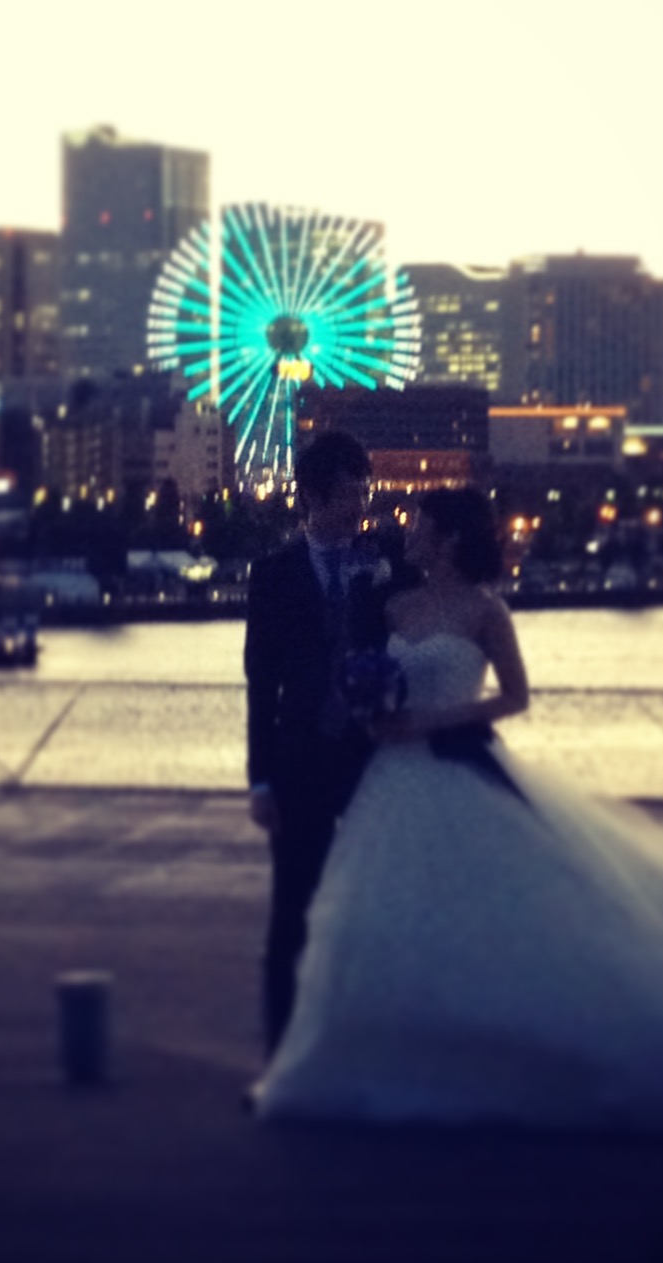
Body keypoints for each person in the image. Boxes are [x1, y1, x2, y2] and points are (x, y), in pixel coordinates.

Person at [253, 488, 663, 1133]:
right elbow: (351, 667)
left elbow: (515, 697)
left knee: (490, 913)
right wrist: (372, 710)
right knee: (388, 915)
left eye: (422, 524)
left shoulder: (487, 610)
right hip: (392, 777)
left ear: (450, 536)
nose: (409, 531)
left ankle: (507, 1053)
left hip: (454, 764)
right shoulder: (393, 603)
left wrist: (428, 719)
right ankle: (408, 1053)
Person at [244, 431, 408, 1056]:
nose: (361, 504)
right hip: (300, 760)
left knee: (373, 903)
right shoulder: (273, 574)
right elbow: (262, 684)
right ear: (312, 496)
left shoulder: (390, 563)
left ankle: (360, 1041)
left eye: (365, 491)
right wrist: (261, 779)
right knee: (293, 909)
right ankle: (282, 1052)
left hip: (372, 758)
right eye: (348, 493)